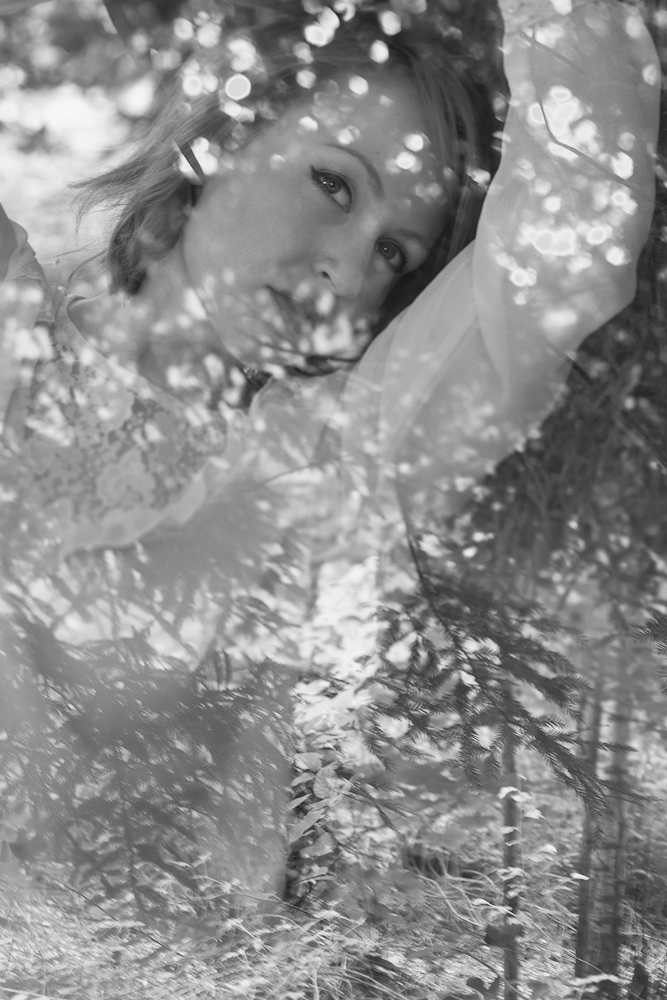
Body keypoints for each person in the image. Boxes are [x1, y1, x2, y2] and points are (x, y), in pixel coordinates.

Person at [0, 0, 660, 893]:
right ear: (223, 138)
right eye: (335, 185)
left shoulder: (337, 457)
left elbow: (569, 228)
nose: (347, 272)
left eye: (392, 255)